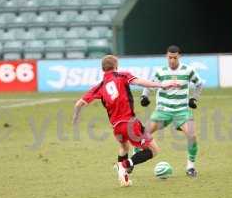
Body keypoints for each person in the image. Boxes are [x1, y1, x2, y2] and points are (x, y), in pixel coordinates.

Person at [72, 55, 180, 187]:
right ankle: (124, 165)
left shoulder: (99, 86)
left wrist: (76, 117)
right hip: (130, 123)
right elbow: (140, 82)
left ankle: (125, 179)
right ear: (116, 67)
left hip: (116, 128)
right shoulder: (122, 76)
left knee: (124, 147)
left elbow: (79, 104)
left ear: (103, 69)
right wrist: (161, 85)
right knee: (153, 150)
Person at [139, 45, 204, 177]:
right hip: (163, 111)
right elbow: (149, 84)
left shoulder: (188, 70)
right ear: (166, 56)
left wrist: (194, 98)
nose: (172, 60)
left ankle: (190, 166)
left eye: (174, 58)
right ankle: (133, 159)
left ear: (179, 56)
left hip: (182, 111)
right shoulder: (160, 71)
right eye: (170, 58)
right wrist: (144, 96)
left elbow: (199, 84)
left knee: (192, 136)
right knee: (143, 134)